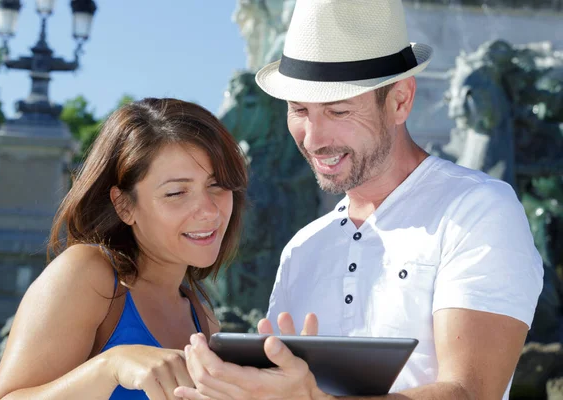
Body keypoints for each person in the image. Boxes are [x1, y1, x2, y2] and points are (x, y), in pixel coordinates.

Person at [174, 0, 545, 399]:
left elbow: (471, 392)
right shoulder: (302, 249)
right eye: (299, 109)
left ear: (400, 100)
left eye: (337, 111)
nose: (313, 139)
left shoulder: (478, 210)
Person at [0, 98, 248, 399]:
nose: (209, 211)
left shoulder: (204, 319)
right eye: (176, 192)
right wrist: (110, 365)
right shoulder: (87, 274)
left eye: (217, 185)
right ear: (124, 205)